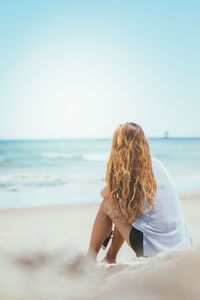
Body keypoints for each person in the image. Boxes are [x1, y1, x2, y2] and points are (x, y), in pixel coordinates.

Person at [87, 122, 195, 263]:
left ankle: (90, 258)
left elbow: (104, 194)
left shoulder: (129, 173)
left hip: (155, 249)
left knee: (107, 204)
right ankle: (109, 257)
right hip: (181, 244)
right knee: (124, 205)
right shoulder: (157, 165)